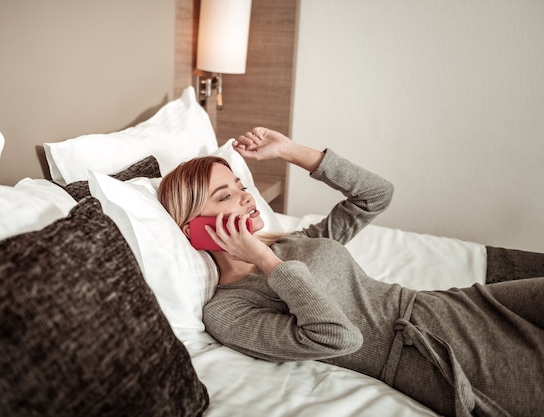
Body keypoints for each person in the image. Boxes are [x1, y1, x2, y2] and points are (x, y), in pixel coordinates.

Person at [157, 127, 544, 417]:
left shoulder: (293, 242)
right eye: (225, 196)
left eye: (241, 186)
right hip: (432, 354)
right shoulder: (228, 311)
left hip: (458, 303)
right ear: (193, 227)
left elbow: (376, 195)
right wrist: (265, 262)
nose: (247, 196)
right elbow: (338, 338)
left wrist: (290, 150)